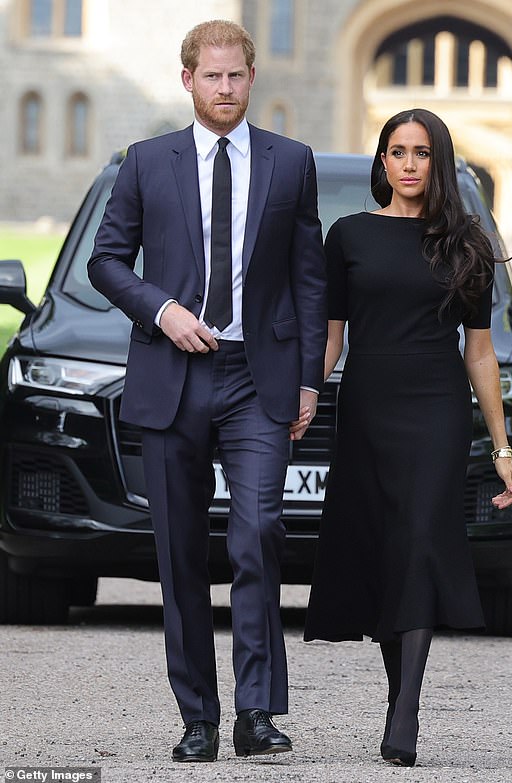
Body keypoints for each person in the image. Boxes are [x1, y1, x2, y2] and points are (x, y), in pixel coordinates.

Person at [88, 20, 327, 763]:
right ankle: (198, 716)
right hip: (172, 375)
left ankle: (256, 713)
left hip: (259, 377)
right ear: (187, 79)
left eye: (237, 76)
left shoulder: (292, 163)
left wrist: (311, 377)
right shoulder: (144, 162)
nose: (225, 89)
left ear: (252, 79)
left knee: (257, 533)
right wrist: (161, 309)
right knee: (181, 553)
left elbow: (308, 277)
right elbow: (105, 260)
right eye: (212, 76)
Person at [303, 108, 512, 767]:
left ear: (438, 162)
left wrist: (503, 448)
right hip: (367, 403)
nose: (406, 163)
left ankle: (406, 710)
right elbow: (331, 335)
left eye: (420, 152)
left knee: (422, 541)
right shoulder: (348, 236)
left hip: (435, 407)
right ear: (381, 161)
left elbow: (479, 353)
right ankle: (400, 694)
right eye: (395, 151)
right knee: (384, 550)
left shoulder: (466, 243)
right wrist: (303, 396)